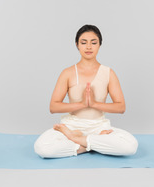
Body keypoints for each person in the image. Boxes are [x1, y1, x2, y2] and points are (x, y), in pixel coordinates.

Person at [34, 24, 138, 158]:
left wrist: (94, 104)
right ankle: (93, 143)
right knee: (43, 148)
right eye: (84, 42)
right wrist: (82, 104)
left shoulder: (109, 73)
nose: (88, 47)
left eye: (93, 42)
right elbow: (53, 107)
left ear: (100, 45)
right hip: (72, 126)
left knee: (130, 146)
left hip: (99, 127)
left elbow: (121, 107)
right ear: (77, 45)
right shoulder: (68, 73)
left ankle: (78, 141)